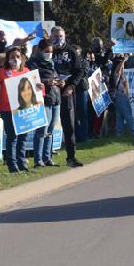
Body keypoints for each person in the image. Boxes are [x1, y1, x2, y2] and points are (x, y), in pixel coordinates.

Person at [50, 26, 84, 167]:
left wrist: (71, 86)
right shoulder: (47, 50)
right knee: (48, 126)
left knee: (69, 125)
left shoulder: (70, 51)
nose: (58, 39)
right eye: (55, 36)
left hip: (66, 92)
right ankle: (44, 158)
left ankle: (71, 157)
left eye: (60, 36)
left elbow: (80, 71)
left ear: (65, 36)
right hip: (50, 92)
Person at [28, 39, 62, 168]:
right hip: (43, 99)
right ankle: (38, 159)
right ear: (40, 50)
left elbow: (56, 77)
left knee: (51, 130)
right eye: (46, 51)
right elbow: (31, 78)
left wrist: (60, 82)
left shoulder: (52, 63)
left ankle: (47, 158)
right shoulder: (33, 62)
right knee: (42, 130)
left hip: (55, 97)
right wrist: (47, 82)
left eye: (51, 51)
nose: (49, 54)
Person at [0, 47, 30, 173]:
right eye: (12, 57)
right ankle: (12, 164)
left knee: (23, 136)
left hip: (23, 108)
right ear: (8, 59)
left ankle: (22, 162)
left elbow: (32, 88)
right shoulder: (1, 72)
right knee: (12, 136)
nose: (15, 59)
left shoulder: (26, 71)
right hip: (7, 109)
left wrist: (39, 86)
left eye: (17, 56)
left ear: (21, 58)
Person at [110, 54, 134, 136]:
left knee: (119, 115)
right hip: (121, 96)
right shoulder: (117, 75)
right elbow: (118, 71)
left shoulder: (121, 75)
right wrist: (123, 61)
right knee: (127, 113)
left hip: (121, 96)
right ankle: (133, 130)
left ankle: (119, 132)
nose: (123, 67)